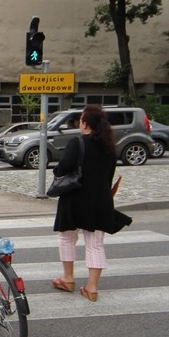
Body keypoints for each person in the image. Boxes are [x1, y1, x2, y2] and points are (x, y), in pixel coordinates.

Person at [51, 104, 117, 302]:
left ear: (86, 124)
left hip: (75, 198)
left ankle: (68, 278)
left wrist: (57, 170)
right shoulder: (109, 146)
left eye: (80, 120)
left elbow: (63, 168)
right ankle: (92, 287)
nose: (79, 123)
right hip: (100, 199)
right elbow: (110, 174)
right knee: (95, 244)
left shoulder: (77, 142)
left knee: (67, 238)